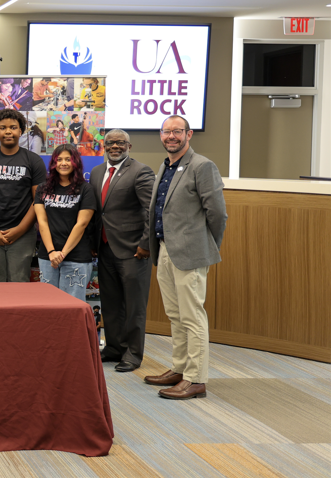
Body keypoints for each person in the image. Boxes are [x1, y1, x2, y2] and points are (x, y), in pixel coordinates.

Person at [143, 115, 227, 401]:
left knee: (192, 317)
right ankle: (180, 368)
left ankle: (196, 379)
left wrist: (206, 245)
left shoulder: (202, 166)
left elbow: (217, 213)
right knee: (175, 315)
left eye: (177, 131)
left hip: (191, 253)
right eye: (167, 132)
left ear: (188, 134)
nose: (171, 136)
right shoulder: (166, 166)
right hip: (165, 248)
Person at [90, 129, 154, 372]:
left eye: (120, 143)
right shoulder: (96, 172)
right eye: (110, 143)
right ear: (104, 146)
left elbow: (150, 211)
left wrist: (145, 244)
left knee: (134, 306)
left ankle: (133, 354)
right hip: (105, 248)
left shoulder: (141, 171)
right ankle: (114, 348)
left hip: (133, 251)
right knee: (111, 303)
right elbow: (98, 211)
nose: (114, 146)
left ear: (129, 146)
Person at [0, 109, 47, 283]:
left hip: (23, 234)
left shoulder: (33, 161)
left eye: (13, 127)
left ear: (21, 131)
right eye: (3, 127)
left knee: (19, 281)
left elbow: (38, 199)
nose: (8, 131)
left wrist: (19, 230)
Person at [33, 144, 96, 301]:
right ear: (54, 163)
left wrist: (62, 254)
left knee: (72, 306)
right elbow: (42, 221)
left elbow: (81, 224)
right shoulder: (42, 188)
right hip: (48, 257)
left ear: (76, 162)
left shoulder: (85, 189)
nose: (63, 163)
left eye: (68, 159)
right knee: (48, 304)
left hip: (76, 257)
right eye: (59, 159)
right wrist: (51, 252)